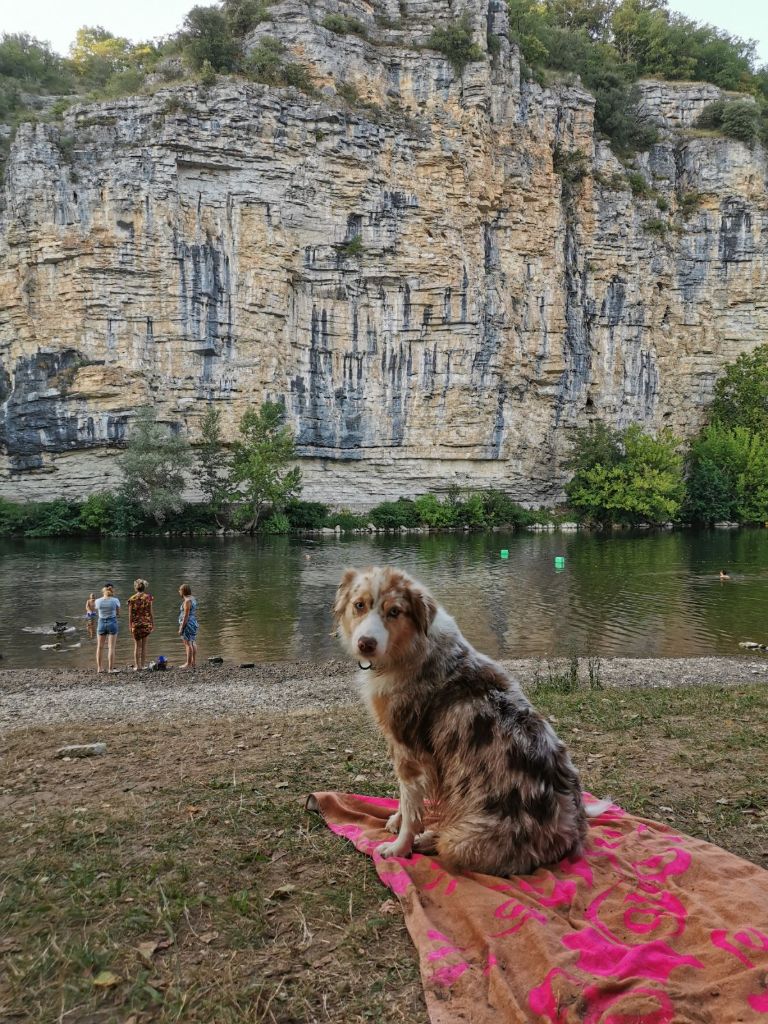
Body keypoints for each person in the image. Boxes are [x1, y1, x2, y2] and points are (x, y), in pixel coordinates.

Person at [127, 579, 155, 670]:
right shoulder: (149, 597)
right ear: (144, 588)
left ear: (136, 588)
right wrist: (152, 624)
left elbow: (130, 614)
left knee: (136, 646)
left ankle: (137, 666)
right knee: (144, 646)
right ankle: (143, 665)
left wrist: (130, 625)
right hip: (146, 624)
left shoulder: (131, 599)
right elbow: (151, 612)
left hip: (136, 625)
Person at [95, 584, 120, 673]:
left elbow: (97, 610)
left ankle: (99, 668)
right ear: (112, 591)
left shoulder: (98, 601)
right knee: (111, 648)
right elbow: (118, 613)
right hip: (112, 623)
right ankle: (110, 669)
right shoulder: (115, 600)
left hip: (101, 623)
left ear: (103, 591)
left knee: (100, 647)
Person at [178, 583, 199, 669]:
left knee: (187, 643)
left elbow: (186, 615)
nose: (179, 592)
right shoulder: (193, 598)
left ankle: (188, 663)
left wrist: (181, 628)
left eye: (180, 590)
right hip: (193, 622)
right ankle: (193, 662)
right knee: (192, 641)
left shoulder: (187, 601)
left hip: (188, 623)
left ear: (183, 591)